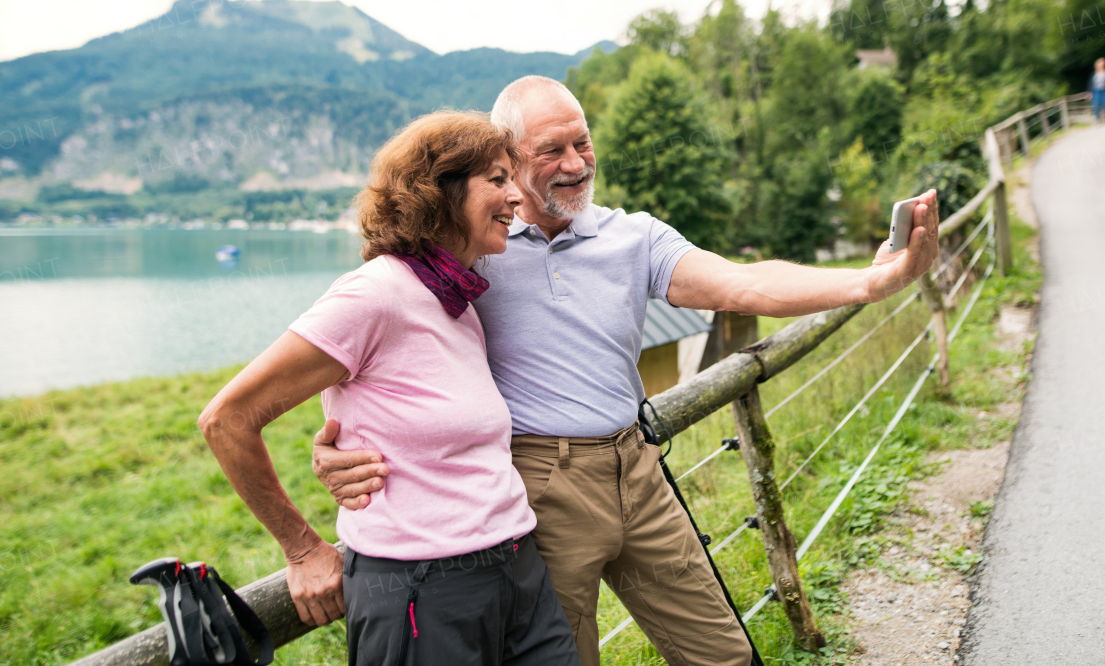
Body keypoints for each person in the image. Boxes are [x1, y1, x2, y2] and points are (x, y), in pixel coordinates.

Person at [313, 76, 941, 666]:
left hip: (636, 466)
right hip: (539, 483)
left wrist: (869, 279)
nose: (575, 163)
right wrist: (340, 441)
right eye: (550, 150)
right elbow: (373, 335)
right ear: (506, 159)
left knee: (721, 652)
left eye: (582, 142)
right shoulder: (476, 247)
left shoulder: (632, 237)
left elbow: (746, 283)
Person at [199, 112, 580, 666]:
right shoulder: (374, 294)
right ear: (443, 193)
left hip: (518, 567)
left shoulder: (456, 299)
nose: (515, 197)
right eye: (496, 179)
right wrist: (303, 548)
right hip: (422, 589)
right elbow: (226, 419)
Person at [1090, 57, 1105, 122]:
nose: (1100, 65)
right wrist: (1089, 92)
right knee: (1096, 104)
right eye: (1098, 63)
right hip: (1096, 90)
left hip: (1104, 90)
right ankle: (1097, 118)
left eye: (1101, 63)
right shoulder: (1094, 73)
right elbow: (1090, 83)